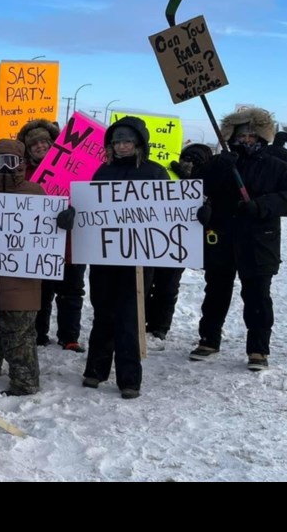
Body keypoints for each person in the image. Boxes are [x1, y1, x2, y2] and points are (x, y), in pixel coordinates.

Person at [188, 108, 287, 371]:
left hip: (259, 241)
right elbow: (197, 187)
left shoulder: (278, 167)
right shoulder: (220, 163)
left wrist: (261, 206)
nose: (246, 139)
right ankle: (209, 339)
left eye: (252, 135)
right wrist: (217, 169)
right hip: (222, 237)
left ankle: (258, 350)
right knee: (215, 292)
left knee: (258, 297)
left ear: (262, 137)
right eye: (242, 134)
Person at [0, 139, 72, 396]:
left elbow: (47, 232)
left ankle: (25, 381)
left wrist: (63, 219)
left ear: (22, 164)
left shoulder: (35, 193)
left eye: (12, 162)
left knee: (19, 335)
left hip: (21, 283)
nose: (5, 168)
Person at [81, 117, 169, 399]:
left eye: (126, 141)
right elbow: (89, 208)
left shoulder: (155, 172)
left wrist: (196, 215)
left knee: (130, 317)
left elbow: (170, 212)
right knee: (103, 313)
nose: (121, 146)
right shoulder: (103, 171)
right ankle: (95, 370)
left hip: (139, 260)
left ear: (139, 143)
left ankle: (129, 379)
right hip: (104, 256)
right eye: (117, 141)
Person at [17, 119, 86, 351]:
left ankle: (70, 337)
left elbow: (89, 199)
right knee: (40, 293)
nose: (40, 147)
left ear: (53, 144)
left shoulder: (74, 168)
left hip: (70, 243)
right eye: (34, 144)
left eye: (44, 142)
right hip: (38, 244)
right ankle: (38, 333)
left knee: (71, 292)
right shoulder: (21, 173)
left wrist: (73, 211)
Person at [147, 143, 214, 342]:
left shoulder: (209, 182)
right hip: (155, 237)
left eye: (195, 161)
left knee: (168, 287)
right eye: (186, 159)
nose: (189, 164)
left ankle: (160, 325)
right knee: (148, 283)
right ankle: (146, 319)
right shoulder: (164, 175)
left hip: (180, 242)